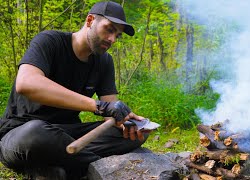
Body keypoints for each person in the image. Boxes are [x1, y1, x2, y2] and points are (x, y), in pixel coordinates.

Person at [0, 1, 150, 179]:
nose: (112, 39)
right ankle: (94, 167)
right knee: (35, 133)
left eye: (118, 35)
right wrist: (97, 105)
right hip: (21, 134)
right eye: (109, 29)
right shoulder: (49, 41)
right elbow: (26, 83)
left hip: (68, 133)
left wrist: (125, 120)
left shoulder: (104, 62)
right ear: (90, 20)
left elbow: (110, 110)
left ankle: (58, 164)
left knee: (134, 135)